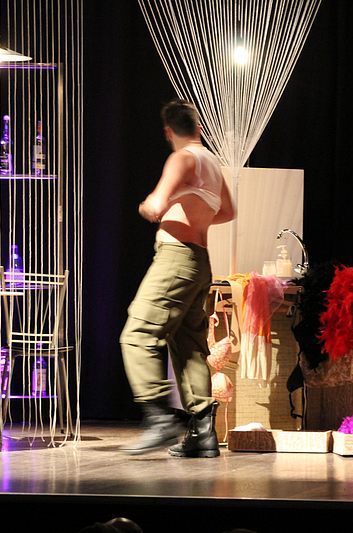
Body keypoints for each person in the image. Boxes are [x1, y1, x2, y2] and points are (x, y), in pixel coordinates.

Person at [119, 99, 235, 456]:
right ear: (198, 127)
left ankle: (159, 418)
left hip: (176, 258)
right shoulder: (211, 162)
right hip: (200, 261)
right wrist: (196, 213)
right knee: (189, 347)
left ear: (169, 132)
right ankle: (202, 434)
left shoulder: (182, 158)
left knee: (138, 334)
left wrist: (151, 206)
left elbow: (155, 205)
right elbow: (228, 211)